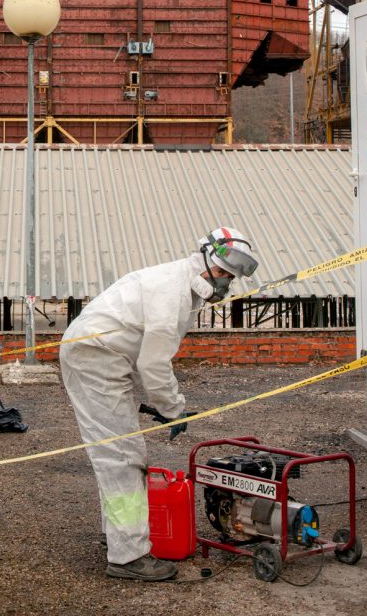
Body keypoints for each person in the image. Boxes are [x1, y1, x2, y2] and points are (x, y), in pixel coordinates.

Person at [59, 225, 258, 581]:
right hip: (96, 356)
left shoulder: (175, 281)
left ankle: (119, 538)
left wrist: (167, 404)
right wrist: (172, 408)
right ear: (205, 259)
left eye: (231, 277)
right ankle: (128, 557)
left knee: (118, 453)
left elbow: (143, 352)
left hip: (100, 355)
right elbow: (153, 364)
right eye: (224, 274)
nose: (226, 283)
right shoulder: (173, 292)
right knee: (122, 456)